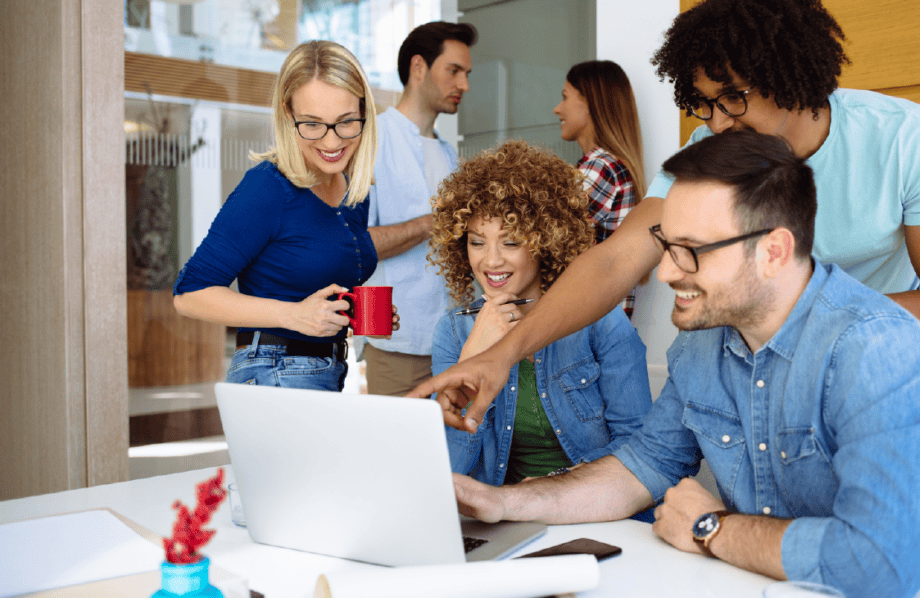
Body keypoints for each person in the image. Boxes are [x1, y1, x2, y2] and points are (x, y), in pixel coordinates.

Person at [451, 131, 920, 598]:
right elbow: (641, 468)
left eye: (692, 250)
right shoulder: (701, 343)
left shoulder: (877, 348)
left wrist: (713, 528)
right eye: (666, 245)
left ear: (773, 252)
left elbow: (878, 565)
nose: (665, 273)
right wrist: (503, 503)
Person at [411, 0, 920, 431]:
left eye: (732, 98)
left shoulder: (903, 137)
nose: (715, 123)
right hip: (759, 374)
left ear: (791, 77)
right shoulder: (707, 159)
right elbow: (615, 263)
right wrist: (500, 355)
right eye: (703, 104)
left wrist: (791, 317)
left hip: (878, 369)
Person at [173, 40, 395, 392]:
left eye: (346, 122)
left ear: (365, 115)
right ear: (287, 115)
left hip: (326, 369)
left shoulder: (354, 190)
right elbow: (189, 294)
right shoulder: (268, 186)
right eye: (312, 124)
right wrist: (294, 315)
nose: (331, 140)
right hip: (273, 370)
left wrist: (350, 315)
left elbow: (313, 284)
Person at [428, 140, 652, 485]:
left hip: (595, 512)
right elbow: (447, 469)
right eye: (476, 242)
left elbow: (639, 448)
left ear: (545, 241)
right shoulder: (454, 332)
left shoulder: (601, 321)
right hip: (500, 519)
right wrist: (472, 358)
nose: (490, 261)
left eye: (511, 241)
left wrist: (548, 490)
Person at [360, 21, 477, 396]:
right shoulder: (371, 142)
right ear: (418, 68)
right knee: (395, 454)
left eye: (466, 74)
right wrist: (431, 223)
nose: (464, 85)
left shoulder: (448, 155)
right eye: (454, 71)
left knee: (451, 454)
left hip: (454, 345)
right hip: (395, 346)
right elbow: (353, 245)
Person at [553, 60, 646, 318]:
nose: (557, 109)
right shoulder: (602, 166)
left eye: (564, 97)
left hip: (591, 332)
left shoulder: (600, 168)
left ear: (590, 102)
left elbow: (543, 237)